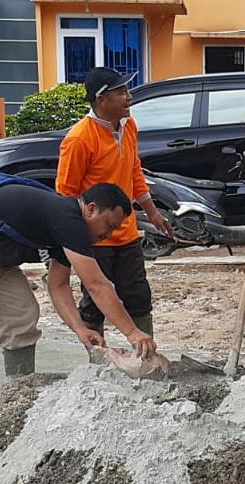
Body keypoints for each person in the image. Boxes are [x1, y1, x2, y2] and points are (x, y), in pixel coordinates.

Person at [0, 170, 157, 439]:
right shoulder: (66, 217)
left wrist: (79, 329)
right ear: (91, 209)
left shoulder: (69, 228)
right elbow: (97, 285)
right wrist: (133, 333)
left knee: (21, 322)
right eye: (108, 225)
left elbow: (58, 285)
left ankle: (16, 404)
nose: (107, 234)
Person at [56, 67, 174, 339]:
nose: (129, 97)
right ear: (102, 100)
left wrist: (153, 214)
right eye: (121, 92)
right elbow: (66, 194)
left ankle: (147, 358)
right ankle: (97, 361)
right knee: (94, 304)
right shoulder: (78, 139)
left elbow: (135, 172)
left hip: (127, 232)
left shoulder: (129, 126)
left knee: (139, 297)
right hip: (96, 238)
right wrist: (75, 241)